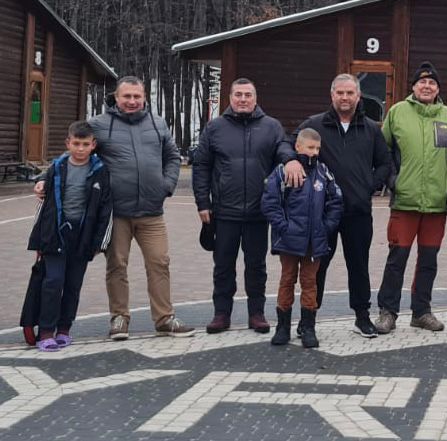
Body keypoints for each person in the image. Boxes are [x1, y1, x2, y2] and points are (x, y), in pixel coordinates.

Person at [35, 77, 193, 339]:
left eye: (136, 97)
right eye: (126, 96)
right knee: (117, 265)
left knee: (159, 263)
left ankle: (164, 318)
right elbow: (75, 152)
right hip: (115, 213)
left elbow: (172, 156)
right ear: (116, 98)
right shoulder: (99, 125)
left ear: (144, 98)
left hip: (152, 212)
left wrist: (166, 185)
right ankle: (119, 318)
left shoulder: (158, 123)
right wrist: (43, 178)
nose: (132, 101)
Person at [192, 78, 300, 335]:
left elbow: (283, 147)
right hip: (224, 211)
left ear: (255, 98)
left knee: (256, 266)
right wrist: (202, 202)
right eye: (238, 94)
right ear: (230, 98)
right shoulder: (215, 127)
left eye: (247, 95)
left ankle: (257, 313)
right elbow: (201, 166)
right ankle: (221, 314)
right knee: (223, 265)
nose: (243, 99)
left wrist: (291, 160)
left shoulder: (271, 126)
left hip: (258, 211)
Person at [298, 73, 391, 338]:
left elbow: (384, 162)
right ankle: (308, 320)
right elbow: (290, 147)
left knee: (359, 265)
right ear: (332, 95)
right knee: (317, 267)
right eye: (340, 92)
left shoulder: (371, 128)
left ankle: (362, 317)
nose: (345, 97)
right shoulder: (315, 125)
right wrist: (294, 164)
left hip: (358, 211)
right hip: (322, 211)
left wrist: (369, 185)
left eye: (350, 93)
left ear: (358, 96)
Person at [374, 61, 447, 334]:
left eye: (432, 83)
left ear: (438, 88)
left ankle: (421, 312)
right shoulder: (398, 112)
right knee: (397, 258)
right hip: (405, 201)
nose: (426, 86)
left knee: (428, 260)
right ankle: (388, 312)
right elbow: (381, 149)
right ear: (413, 87)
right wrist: (392, 180)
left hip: (436, 204)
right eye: (421, 82)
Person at [27, 122, 113, 351]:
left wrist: (99, 243)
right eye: (76, 143)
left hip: (82, 237)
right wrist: (39, 239)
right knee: (52, 281)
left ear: (93, 145)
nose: (81, 149)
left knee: (73, 285)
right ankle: (46, 331)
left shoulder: (100, 171)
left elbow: (105, 209)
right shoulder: (58, 167)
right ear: (68, 143)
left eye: (86, 144)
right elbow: (44, 204)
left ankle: (64, 329)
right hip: (55, 234)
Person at [262, 128, 343, 348]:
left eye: (317, 148)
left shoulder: (323, 172)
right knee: (287, 280)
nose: (314, 152)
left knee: (310, 283)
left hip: (314, 242)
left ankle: (308, 327)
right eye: (310, 147)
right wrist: (283, 227)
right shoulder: (282, 172)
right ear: (298, 147)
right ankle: (282, 327)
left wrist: (326, 227)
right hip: (289, 241)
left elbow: (336, 201)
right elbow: (270, 202)